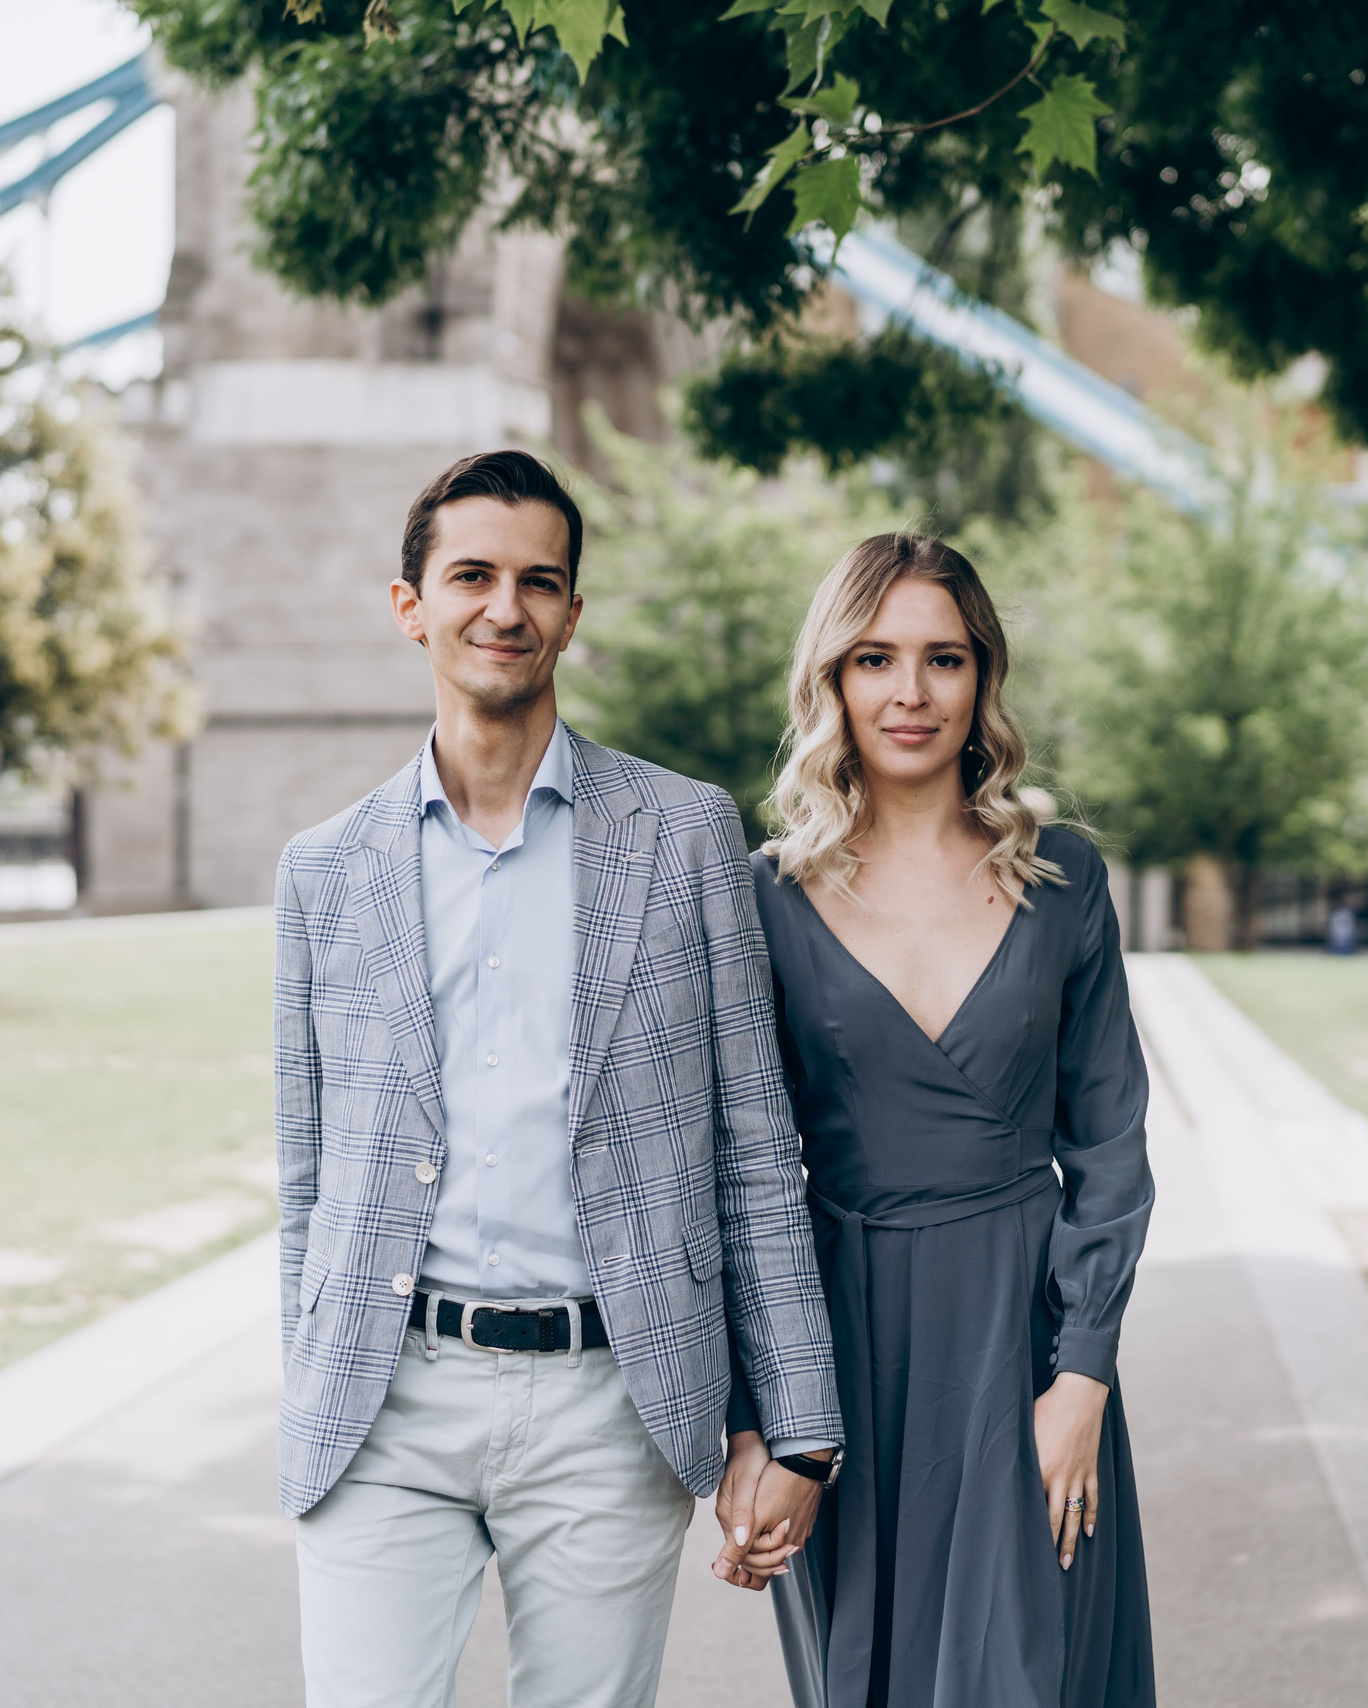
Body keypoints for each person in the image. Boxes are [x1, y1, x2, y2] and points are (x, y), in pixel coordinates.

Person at [271, 449, 843, 1708]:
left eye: (539, 581)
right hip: (385, 1405)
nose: (505, 607)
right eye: (470, 575)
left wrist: (796, 1420)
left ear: (572, 616)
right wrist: (308, 1369)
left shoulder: (686, 833)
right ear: (410, 603)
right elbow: (305, 1175)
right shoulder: (323, 869)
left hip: (608, 1401)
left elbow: (754, 1142)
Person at [716, 534, 1158, 1708]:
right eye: (874, 659)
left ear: (983, 680)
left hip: (1025, 1343)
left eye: (941, 659)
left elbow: (1109, 1150)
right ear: (833, 681)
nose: (909, 693)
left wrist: (1082, 1382)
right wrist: (758, 1423)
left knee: (1029, 1667)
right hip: (839, 1350)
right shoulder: (763, 896)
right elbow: (743, 1175)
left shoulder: (1061, 879)